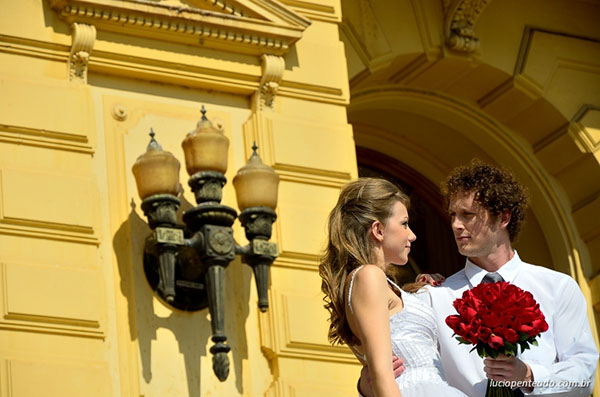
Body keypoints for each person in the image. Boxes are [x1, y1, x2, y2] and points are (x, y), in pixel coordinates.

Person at [358, 160, 599, 396]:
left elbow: (584, 378)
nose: (455, 225)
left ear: (503, 218)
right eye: (453, 215)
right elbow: (412, 371)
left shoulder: (558, 287)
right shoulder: (433, 296)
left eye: (468, 215)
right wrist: (366, 388)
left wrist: (528, 376)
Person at [319, 177, 467, 396]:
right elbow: (381, 374)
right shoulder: (368, 276)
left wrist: (420, 291)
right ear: (378, 230)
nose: (412, 235)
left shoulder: (374, 282)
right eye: (404, 224)